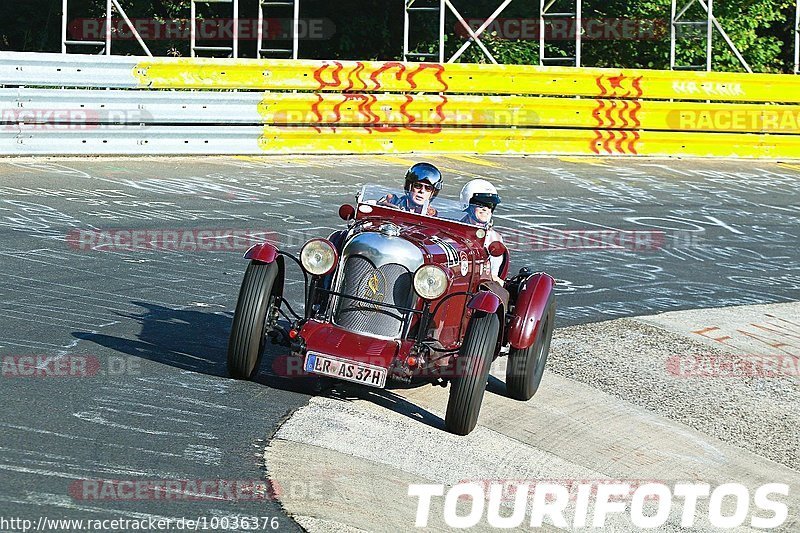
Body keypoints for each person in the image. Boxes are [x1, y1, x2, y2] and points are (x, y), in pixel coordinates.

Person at [460, 179, 506, 284]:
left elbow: (493, 276)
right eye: (480, 204)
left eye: (489, 205)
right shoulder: (455, 229)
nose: (485, 209)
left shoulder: (495, 238)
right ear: (468, 204)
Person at [378, 162, 442, 216]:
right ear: (409, 187)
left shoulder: (431, 214)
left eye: (428, 188)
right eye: (417, 186)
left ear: (433, 192)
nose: (422, 191)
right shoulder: (392, 200)